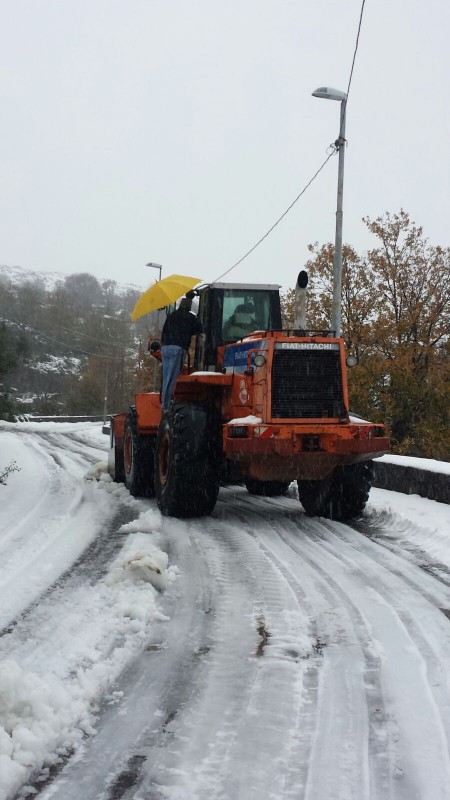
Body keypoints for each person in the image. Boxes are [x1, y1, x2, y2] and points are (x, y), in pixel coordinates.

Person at [160, 295, 202, 408]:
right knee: (172, 378)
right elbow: (199, 330)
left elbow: (163, 332)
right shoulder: (189, 317)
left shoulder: (171, 315)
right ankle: (167, 406)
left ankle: (164, 401)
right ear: (189, 307)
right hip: (177, 348)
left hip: (165, 348)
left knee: (166, 377)